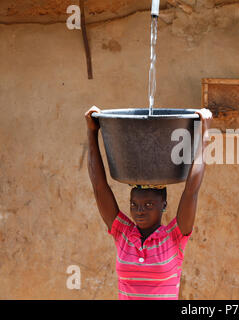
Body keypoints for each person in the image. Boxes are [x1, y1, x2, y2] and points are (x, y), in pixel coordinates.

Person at [84, 105, 212, 300]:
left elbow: (191, 191)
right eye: (134, 205)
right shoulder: (123, 235)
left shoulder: (174, 237)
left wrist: (204, 135)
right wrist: (92, 133)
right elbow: (99, 188)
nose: (139, 211)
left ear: (164, 204)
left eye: (148, 205)